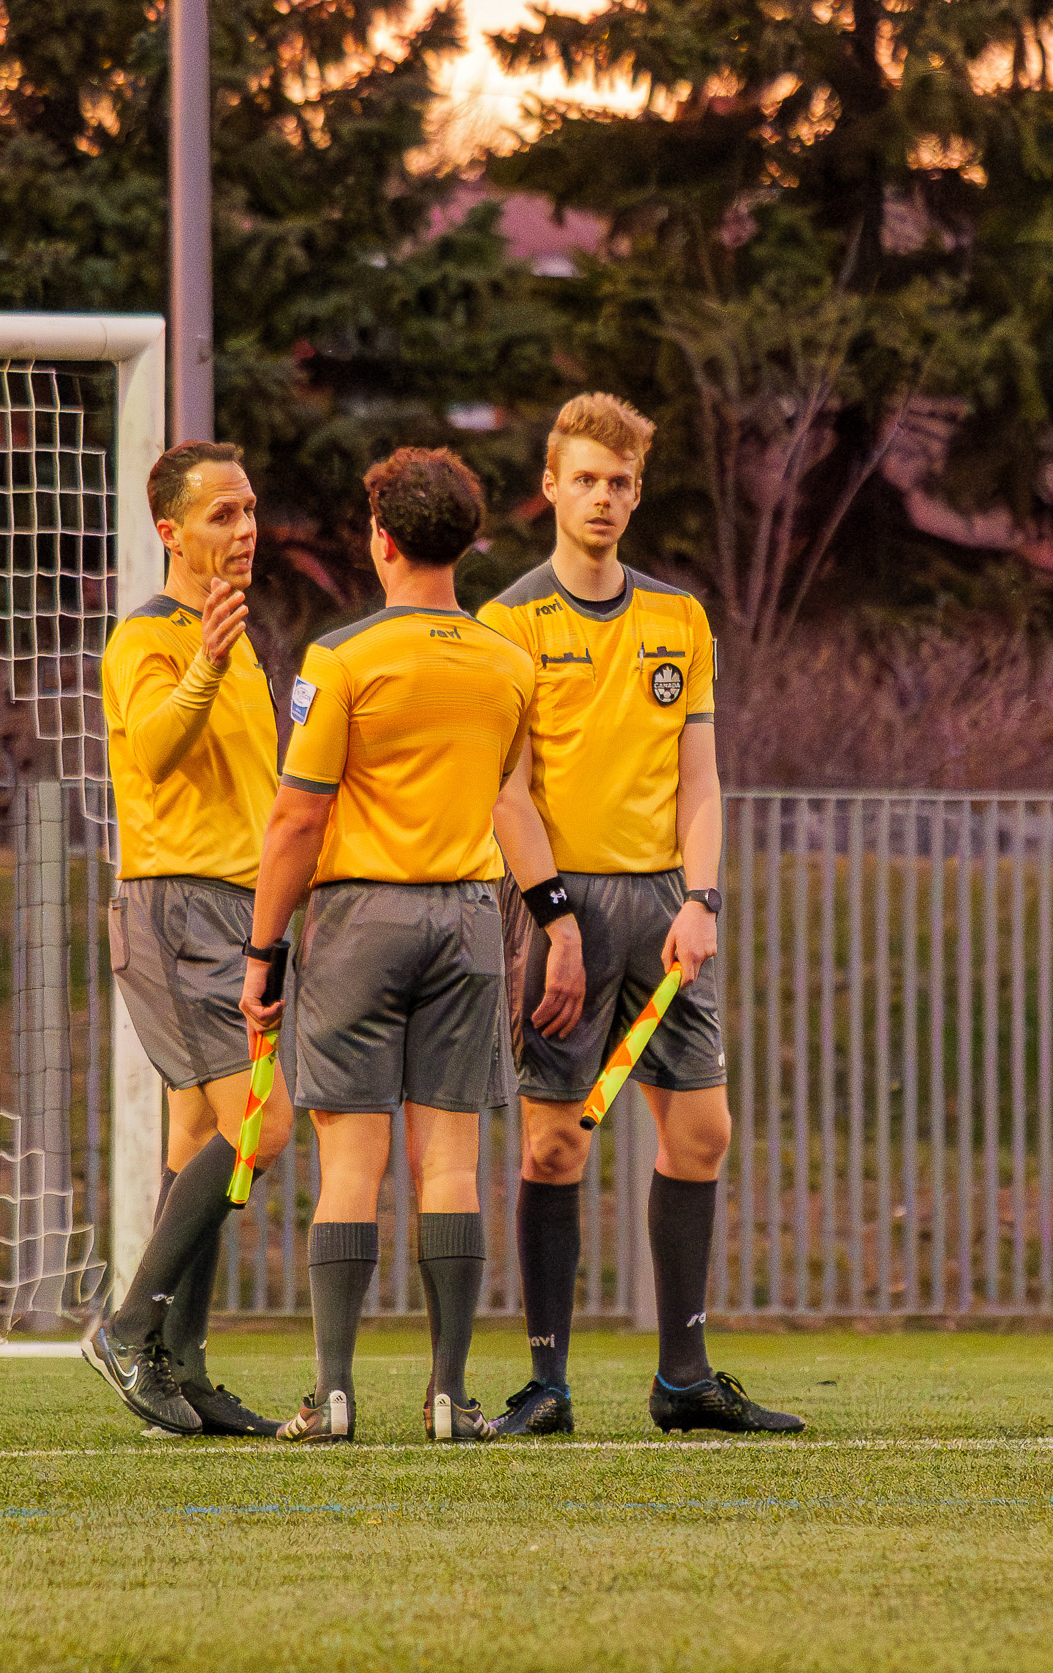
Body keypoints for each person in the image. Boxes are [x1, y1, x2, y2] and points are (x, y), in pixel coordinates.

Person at [480, 393, 804, 1437]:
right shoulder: (510, 622)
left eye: (620, 482)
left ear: (636, 492)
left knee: (702, 1133)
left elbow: (703, 783)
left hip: (668, 908)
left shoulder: (680, 617)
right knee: (554, 1148)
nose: (604, 498)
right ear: (551, 487)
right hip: (563, 911)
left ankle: (683, 1380)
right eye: (585, 479)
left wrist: (703, 899)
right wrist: (556, 921)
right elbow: (506, 792)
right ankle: (547, 1386)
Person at [240, 447, 548, 1444]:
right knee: (450, 1163)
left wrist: (263, 950)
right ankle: (452, 1400)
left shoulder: (342, 660)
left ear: (380, 537)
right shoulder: (510, 662)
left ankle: (332, 1397)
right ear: (467, 541)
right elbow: (505, 791)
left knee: (350, 1166)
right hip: (467, 920)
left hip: (362, 920)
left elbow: (296, 817)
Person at [83, 439, 293, 1438]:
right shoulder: (150, 639)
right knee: (264, 1124)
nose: (245, 530)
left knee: (199, 1139)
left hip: (236, 914)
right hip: (177, 908)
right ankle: (128, 1328)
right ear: (170, 531)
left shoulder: (239, 640)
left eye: (250, 511)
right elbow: (157, 755)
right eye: (223, 514)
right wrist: (206, 660)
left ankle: (184, 1363)